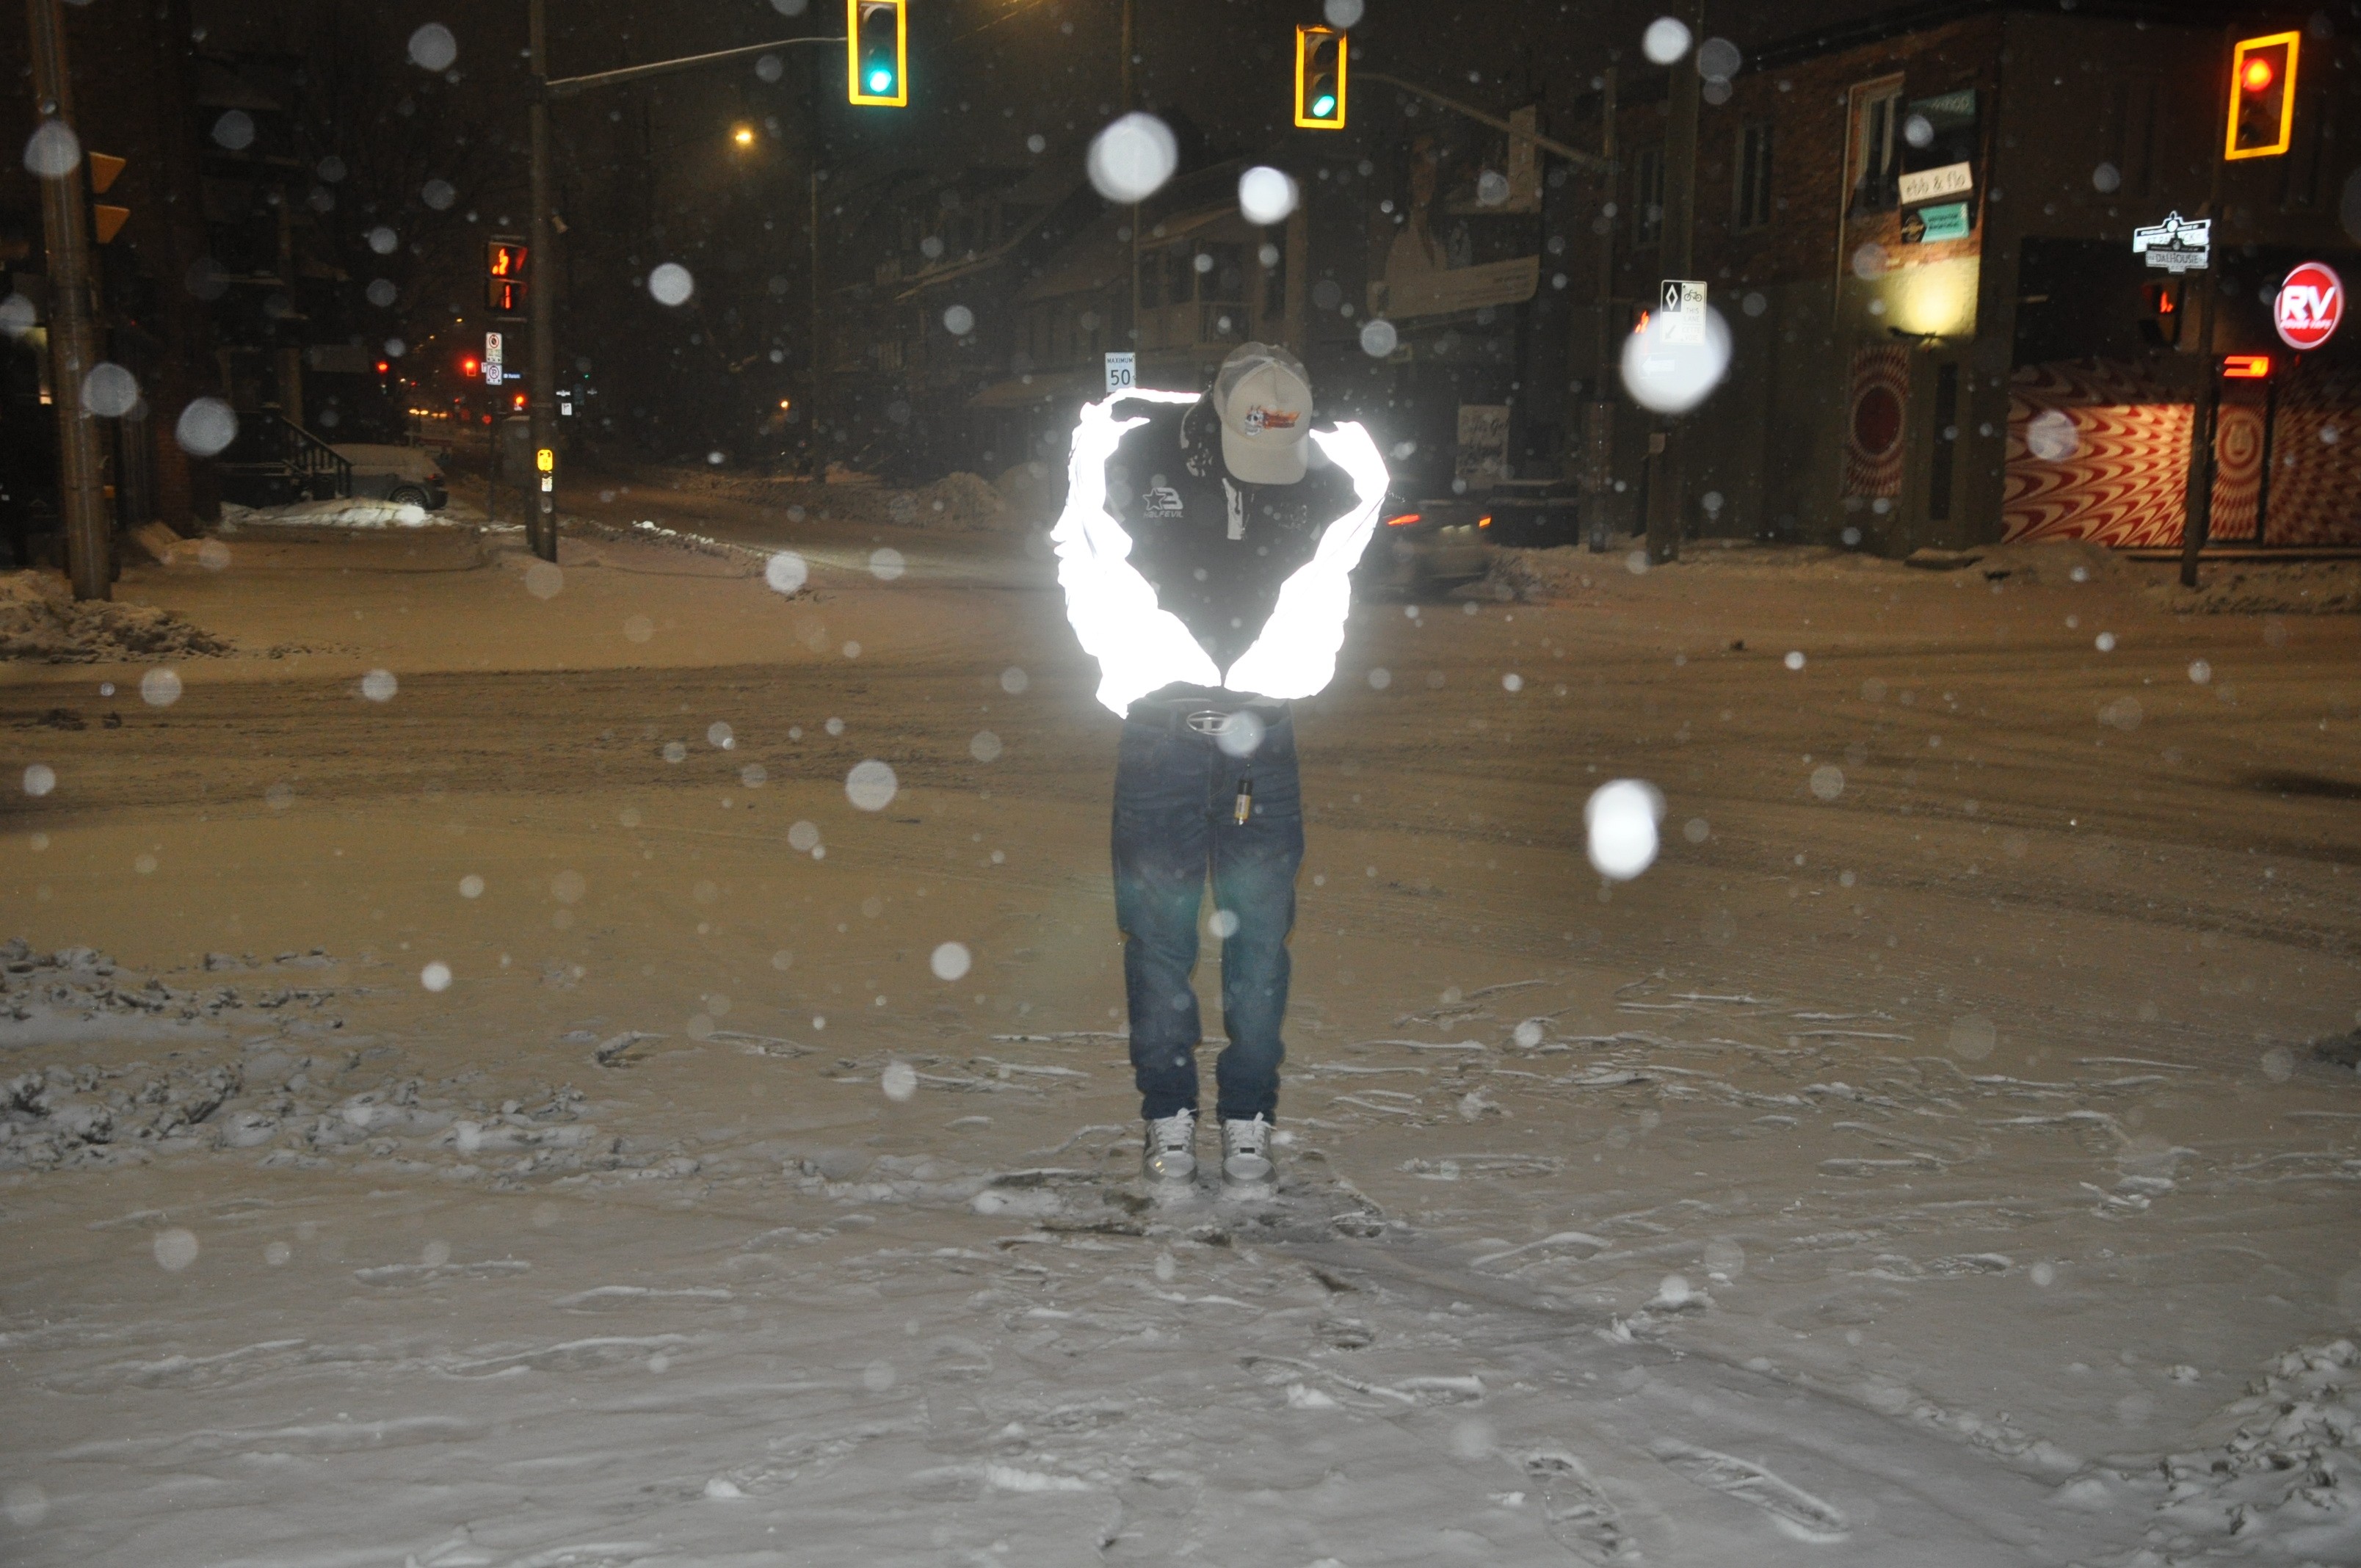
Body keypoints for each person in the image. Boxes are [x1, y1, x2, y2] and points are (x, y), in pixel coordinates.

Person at [1050, 342, 1388, 1191]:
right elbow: (1078, 535)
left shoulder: (1326, 473)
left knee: (1259, 946)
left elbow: (1364, 497)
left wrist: (1314, 428)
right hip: (1161, 740)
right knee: (1160, 943)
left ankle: (1248, 1120)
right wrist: (1120, 649)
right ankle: (1167, 1115)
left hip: (1260, 749)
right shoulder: (1136, 456)